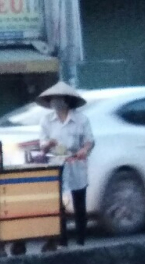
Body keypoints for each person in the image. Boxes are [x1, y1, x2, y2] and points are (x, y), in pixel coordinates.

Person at [37, 82, 94, 249]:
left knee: (79, 203)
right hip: (56, 164)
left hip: (75, 163)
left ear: (67, 100)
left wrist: (84, 150)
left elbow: (89, 141)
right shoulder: (46, 121)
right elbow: (42, 144)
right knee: (58, 204)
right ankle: (62, 240)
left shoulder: (81, 120)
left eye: (58, 99)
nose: (55, 102)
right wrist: (48, 144)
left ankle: (81, 240)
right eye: (53, 99)